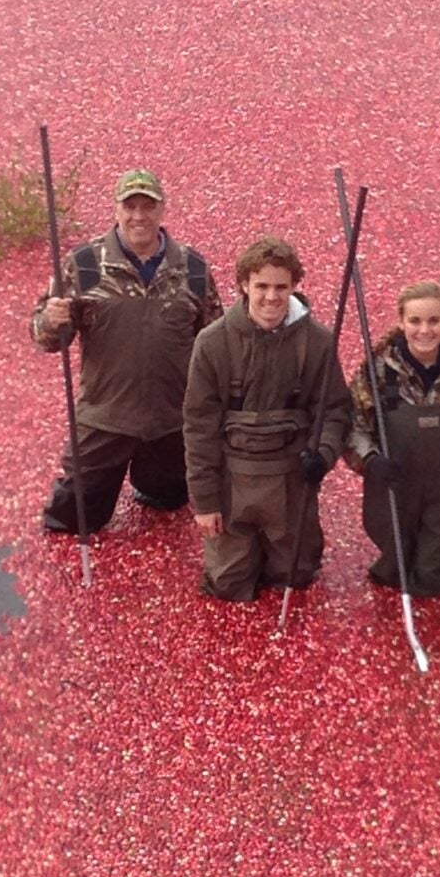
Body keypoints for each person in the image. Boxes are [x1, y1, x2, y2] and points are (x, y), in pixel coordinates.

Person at [32, 171, 220, 537]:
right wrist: (51, 321)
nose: (139, 216)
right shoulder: (83, 265)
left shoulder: (194, 269)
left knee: (170, 497)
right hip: (106, 417)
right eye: (129, 206)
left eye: (148, 206)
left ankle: (149, 479)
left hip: (171, 418)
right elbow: (45, 338)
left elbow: (213, 339)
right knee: (71, 520)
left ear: (162, 210)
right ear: (116, 210)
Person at [182, 237, 352, 603]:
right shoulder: (212, 343)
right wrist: (205, 502)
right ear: (244, 284)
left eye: (281, 287)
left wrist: (322, 454)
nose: (271, 297)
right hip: (232, 483)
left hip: (291, 480)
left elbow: (335, 410)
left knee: (295, 576)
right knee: (227, 583)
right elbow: (199, 427)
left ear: (294, 286)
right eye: (261, 286)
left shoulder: (318, 342)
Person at [347, 282, 440, 597]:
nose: (424, 330)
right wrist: (370, 460)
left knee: (438, 579)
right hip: (394, 483)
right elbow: (353, 424)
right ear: (401, 321)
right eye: (415, 321)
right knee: (395, 573)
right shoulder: (378, 369)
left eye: (434, 321)